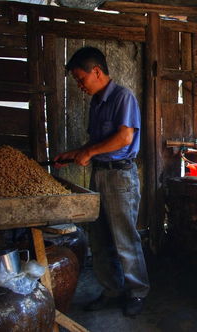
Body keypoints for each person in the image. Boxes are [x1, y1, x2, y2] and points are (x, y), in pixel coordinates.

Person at [54, 46, 149, 317]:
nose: (79, 85)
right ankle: (112, 290)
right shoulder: (96, 103)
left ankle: (137, 292)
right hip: (100, 174)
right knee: (99, 237)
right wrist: (73, 154)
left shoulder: (123, 97)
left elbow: (123, 139)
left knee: (125, 239)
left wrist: (89, 152)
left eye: (80, 78)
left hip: (120, 176)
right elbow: (95, 144)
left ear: (96, 71)